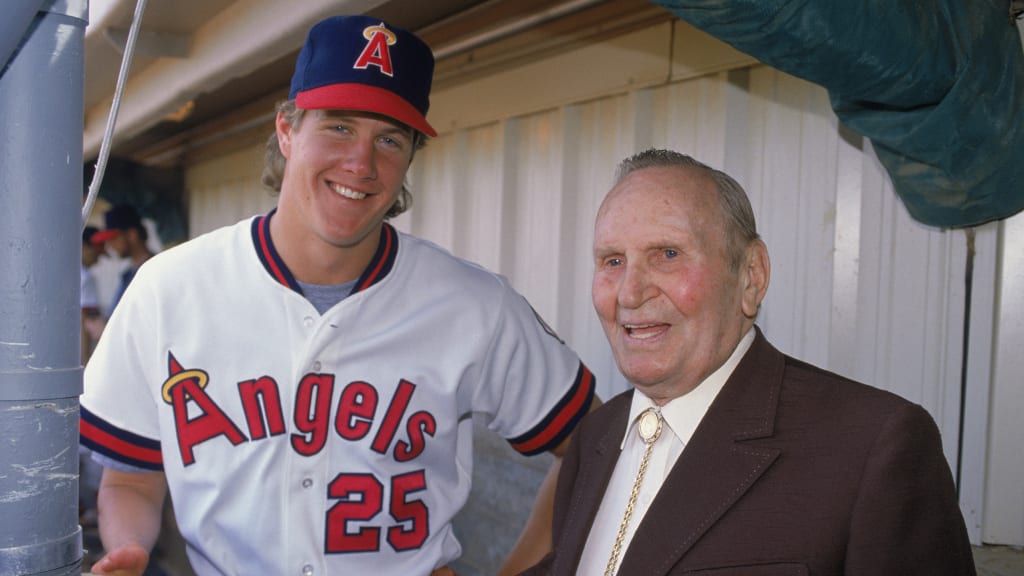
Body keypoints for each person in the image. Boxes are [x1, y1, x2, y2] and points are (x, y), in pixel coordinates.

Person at [80, 14, 597, 576]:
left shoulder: (475, 304)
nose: (362, 163)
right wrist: (127, 546)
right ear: (286, 129)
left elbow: (597, 447)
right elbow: (131, 477)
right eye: (339, 126)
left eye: (390, 139)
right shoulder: (167, 289)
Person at [523, 149, 976, 575]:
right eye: (613, 260)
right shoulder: (595, 437)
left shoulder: (873, 448)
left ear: (751, 276)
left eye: (667, 254)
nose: (629, 292)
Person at [91, 203, 155, 312]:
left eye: (113, 238)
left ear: (132, 235)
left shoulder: (153, 269)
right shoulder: (129, 272)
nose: (109, 244)